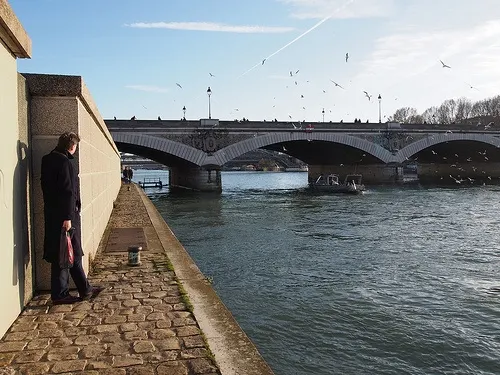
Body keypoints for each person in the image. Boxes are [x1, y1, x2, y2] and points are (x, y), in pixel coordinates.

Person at [41, 132, 102, 304]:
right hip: (65, 216)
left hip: (52, 213)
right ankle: (60, 295)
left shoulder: (47, 160)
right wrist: (68, 217)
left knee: (70, 252)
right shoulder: (65, 162)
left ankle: (85, 289)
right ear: (72, 146)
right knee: (63, 253)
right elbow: (68, 192)